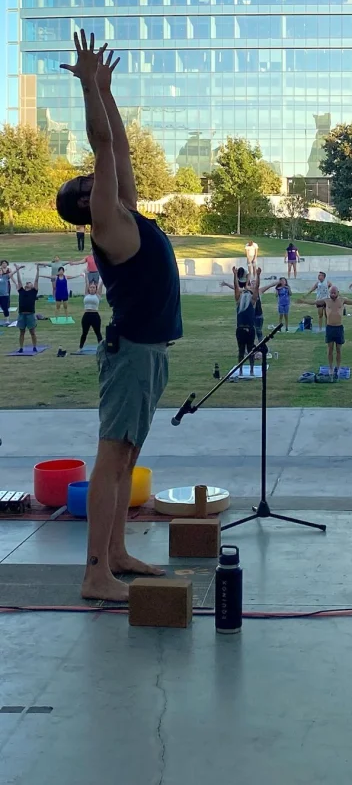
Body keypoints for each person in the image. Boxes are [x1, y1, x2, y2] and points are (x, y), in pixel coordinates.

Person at [56, 31, 182, 603]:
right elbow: (104, 147)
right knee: (110, 462)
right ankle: (94, 573)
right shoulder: (106, 222)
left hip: (147, 353)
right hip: (131, 352)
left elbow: (120, 151)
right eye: (88, 182)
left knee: (126, 457)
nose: (97, 175)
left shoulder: (127, 212)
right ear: (86, 203)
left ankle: (116, 554)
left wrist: (107, 90)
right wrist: (88, 89)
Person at [297, 285, 352, 379]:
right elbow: (314, 302)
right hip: (330, 328)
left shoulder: (342, 300)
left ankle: (338, 367)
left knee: (339, 350)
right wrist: (303, 301)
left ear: (338, 293)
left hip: (339, 328)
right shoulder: (326, 301)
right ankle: (331, 367)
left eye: (334, 293)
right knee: (330, 349)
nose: (332, 294)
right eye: (331, 293)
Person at [232, 264, 261, 375]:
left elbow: (257, 288)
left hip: (250, 329)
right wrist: (234, 275)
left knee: (250, 351)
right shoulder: (239, 301)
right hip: (240, 329)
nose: (245, 293)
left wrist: (258, 276)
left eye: (248, 292)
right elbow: (236, 287)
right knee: (240, 351)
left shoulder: (252, 302)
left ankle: (252, 370)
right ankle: (240, 370)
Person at [14, 264, 40, 353]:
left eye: (31, 283)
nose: (30, 284)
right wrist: (17, 270)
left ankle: (35, 347)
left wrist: (38, 270)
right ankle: (21, 348)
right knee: (22, 332)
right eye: (28, 283)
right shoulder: (21, 291)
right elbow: (19, 280)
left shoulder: (34, 292)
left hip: (30, 315)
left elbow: (36, 280)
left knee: (32, 332)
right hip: (21, 315)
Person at [79, 278, 103, 349]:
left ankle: (102, 349)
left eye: (94, 287)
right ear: (89, 289)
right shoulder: (86, 294)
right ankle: (80, 347)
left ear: (96, 289)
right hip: (86, 315)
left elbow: (101, 284)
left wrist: (102, 278)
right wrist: (86, 275)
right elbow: (86, 283)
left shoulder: (98, 295)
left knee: (98, 333)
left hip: (95, 316)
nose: (92, 289)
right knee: (84, 333)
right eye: (91, 287)